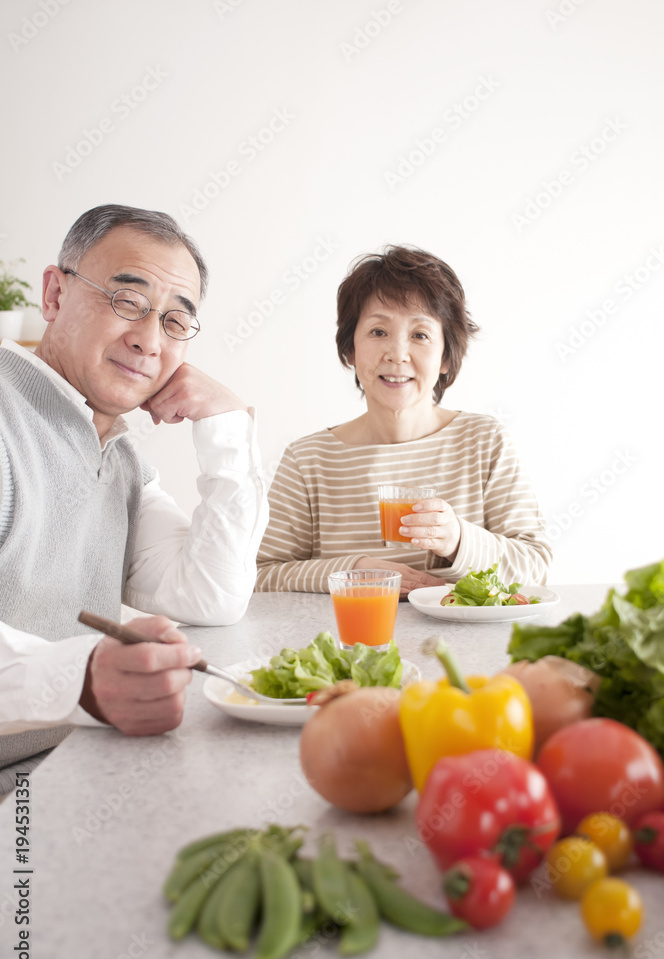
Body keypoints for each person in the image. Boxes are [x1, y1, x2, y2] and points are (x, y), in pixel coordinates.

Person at [0, 204, 268, 793]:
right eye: (127, 300)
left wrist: (226, 424)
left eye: (175, 321)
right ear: (53, 295)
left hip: (66, 780)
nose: (149, 340)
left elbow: (211, 593)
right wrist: (82, 678)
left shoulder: (120, 457)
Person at [256, 245, 551, 594]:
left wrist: (458, 541)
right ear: (350, 349)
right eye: (378, 332)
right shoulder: (308, 461)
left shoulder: (484, 442)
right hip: (349, 647)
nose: (397, 355)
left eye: (420, 335)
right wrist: (353, 572)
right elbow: (260, 576)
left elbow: (535, 568)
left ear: (446, 356)